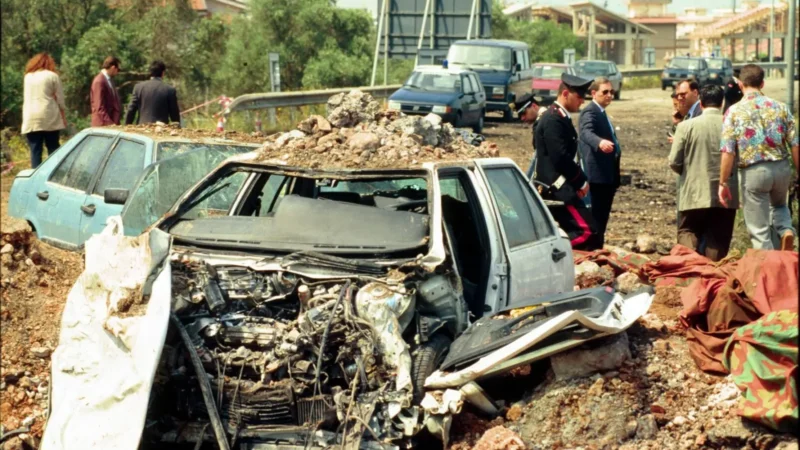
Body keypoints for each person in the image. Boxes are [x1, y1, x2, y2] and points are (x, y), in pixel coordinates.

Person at [719, 63, 799, 250]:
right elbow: (795, 144)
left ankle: (769, 270)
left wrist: (723, 182)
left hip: (754, 172)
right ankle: (785, 229)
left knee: (759, 230)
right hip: (781, 168)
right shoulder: (780, 107)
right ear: (762, 84)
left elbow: (728, 151)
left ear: (740, 84)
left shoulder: (734, 112)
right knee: (779, 207)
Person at [668, 85, 738, 261]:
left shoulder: (685, 126)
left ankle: (689, 271)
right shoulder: (733, 125)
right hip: (726, 193)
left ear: (701, 103)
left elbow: (674, 161)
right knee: (717, 239)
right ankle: (712, 276)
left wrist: (688, 174)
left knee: (687, 230)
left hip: (694, 191)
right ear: (722, 103)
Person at [533, 73, 600, 250]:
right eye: (578, 96)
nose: (582, 101)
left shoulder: (560, 117)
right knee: (587, 232)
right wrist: (580, 181)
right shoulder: (553, 119)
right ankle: (551, 253)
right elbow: (560, 157)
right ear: (565, 94)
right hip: (555, 187)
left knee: (580, 230)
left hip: (562, 185)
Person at [578, 76, 620, 249]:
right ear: (594, 93)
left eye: (612, 92)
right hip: (597, 177)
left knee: (602, 219)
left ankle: (598, 250)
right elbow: (586, 132)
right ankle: (593, 252)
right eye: (605, 92)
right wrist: (599, 142)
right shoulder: (590, 112)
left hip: (607, 176)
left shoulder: (602, 112)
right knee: (596, 220)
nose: (609, 95)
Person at [21, 52, 66, 169]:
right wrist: (63, 115)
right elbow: (60, 99)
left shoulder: (27, 77)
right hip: (49, 116)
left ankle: (35, 176)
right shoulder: (52, 76)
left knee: (35, 150)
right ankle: (54, 174)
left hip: (30, 117)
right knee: (53, 147)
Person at [125, 60, 180, 125]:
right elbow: (174, 115)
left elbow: (131, 110)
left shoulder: (138, 87)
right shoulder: (169, 90)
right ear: (163, 73)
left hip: (142, 128)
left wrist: (127, 125)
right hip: (161, 129)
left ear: (150, 73)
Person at [511, 93, 542, 180]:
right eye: (520, 116)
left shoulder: (543, 123)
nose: (522, 118)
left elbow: (538, 157)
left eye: (524, 113)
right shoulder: (540, 122)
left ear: (534, 106)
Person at [90, 56, 122, 126]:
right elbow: (99, 107)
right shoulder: (99, 81)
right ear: (113, 67)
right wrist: (110, 124)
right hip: (102, 125)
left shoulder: (110, 81)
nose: (118, 72)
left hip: (112, 125)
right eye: (118, 70)